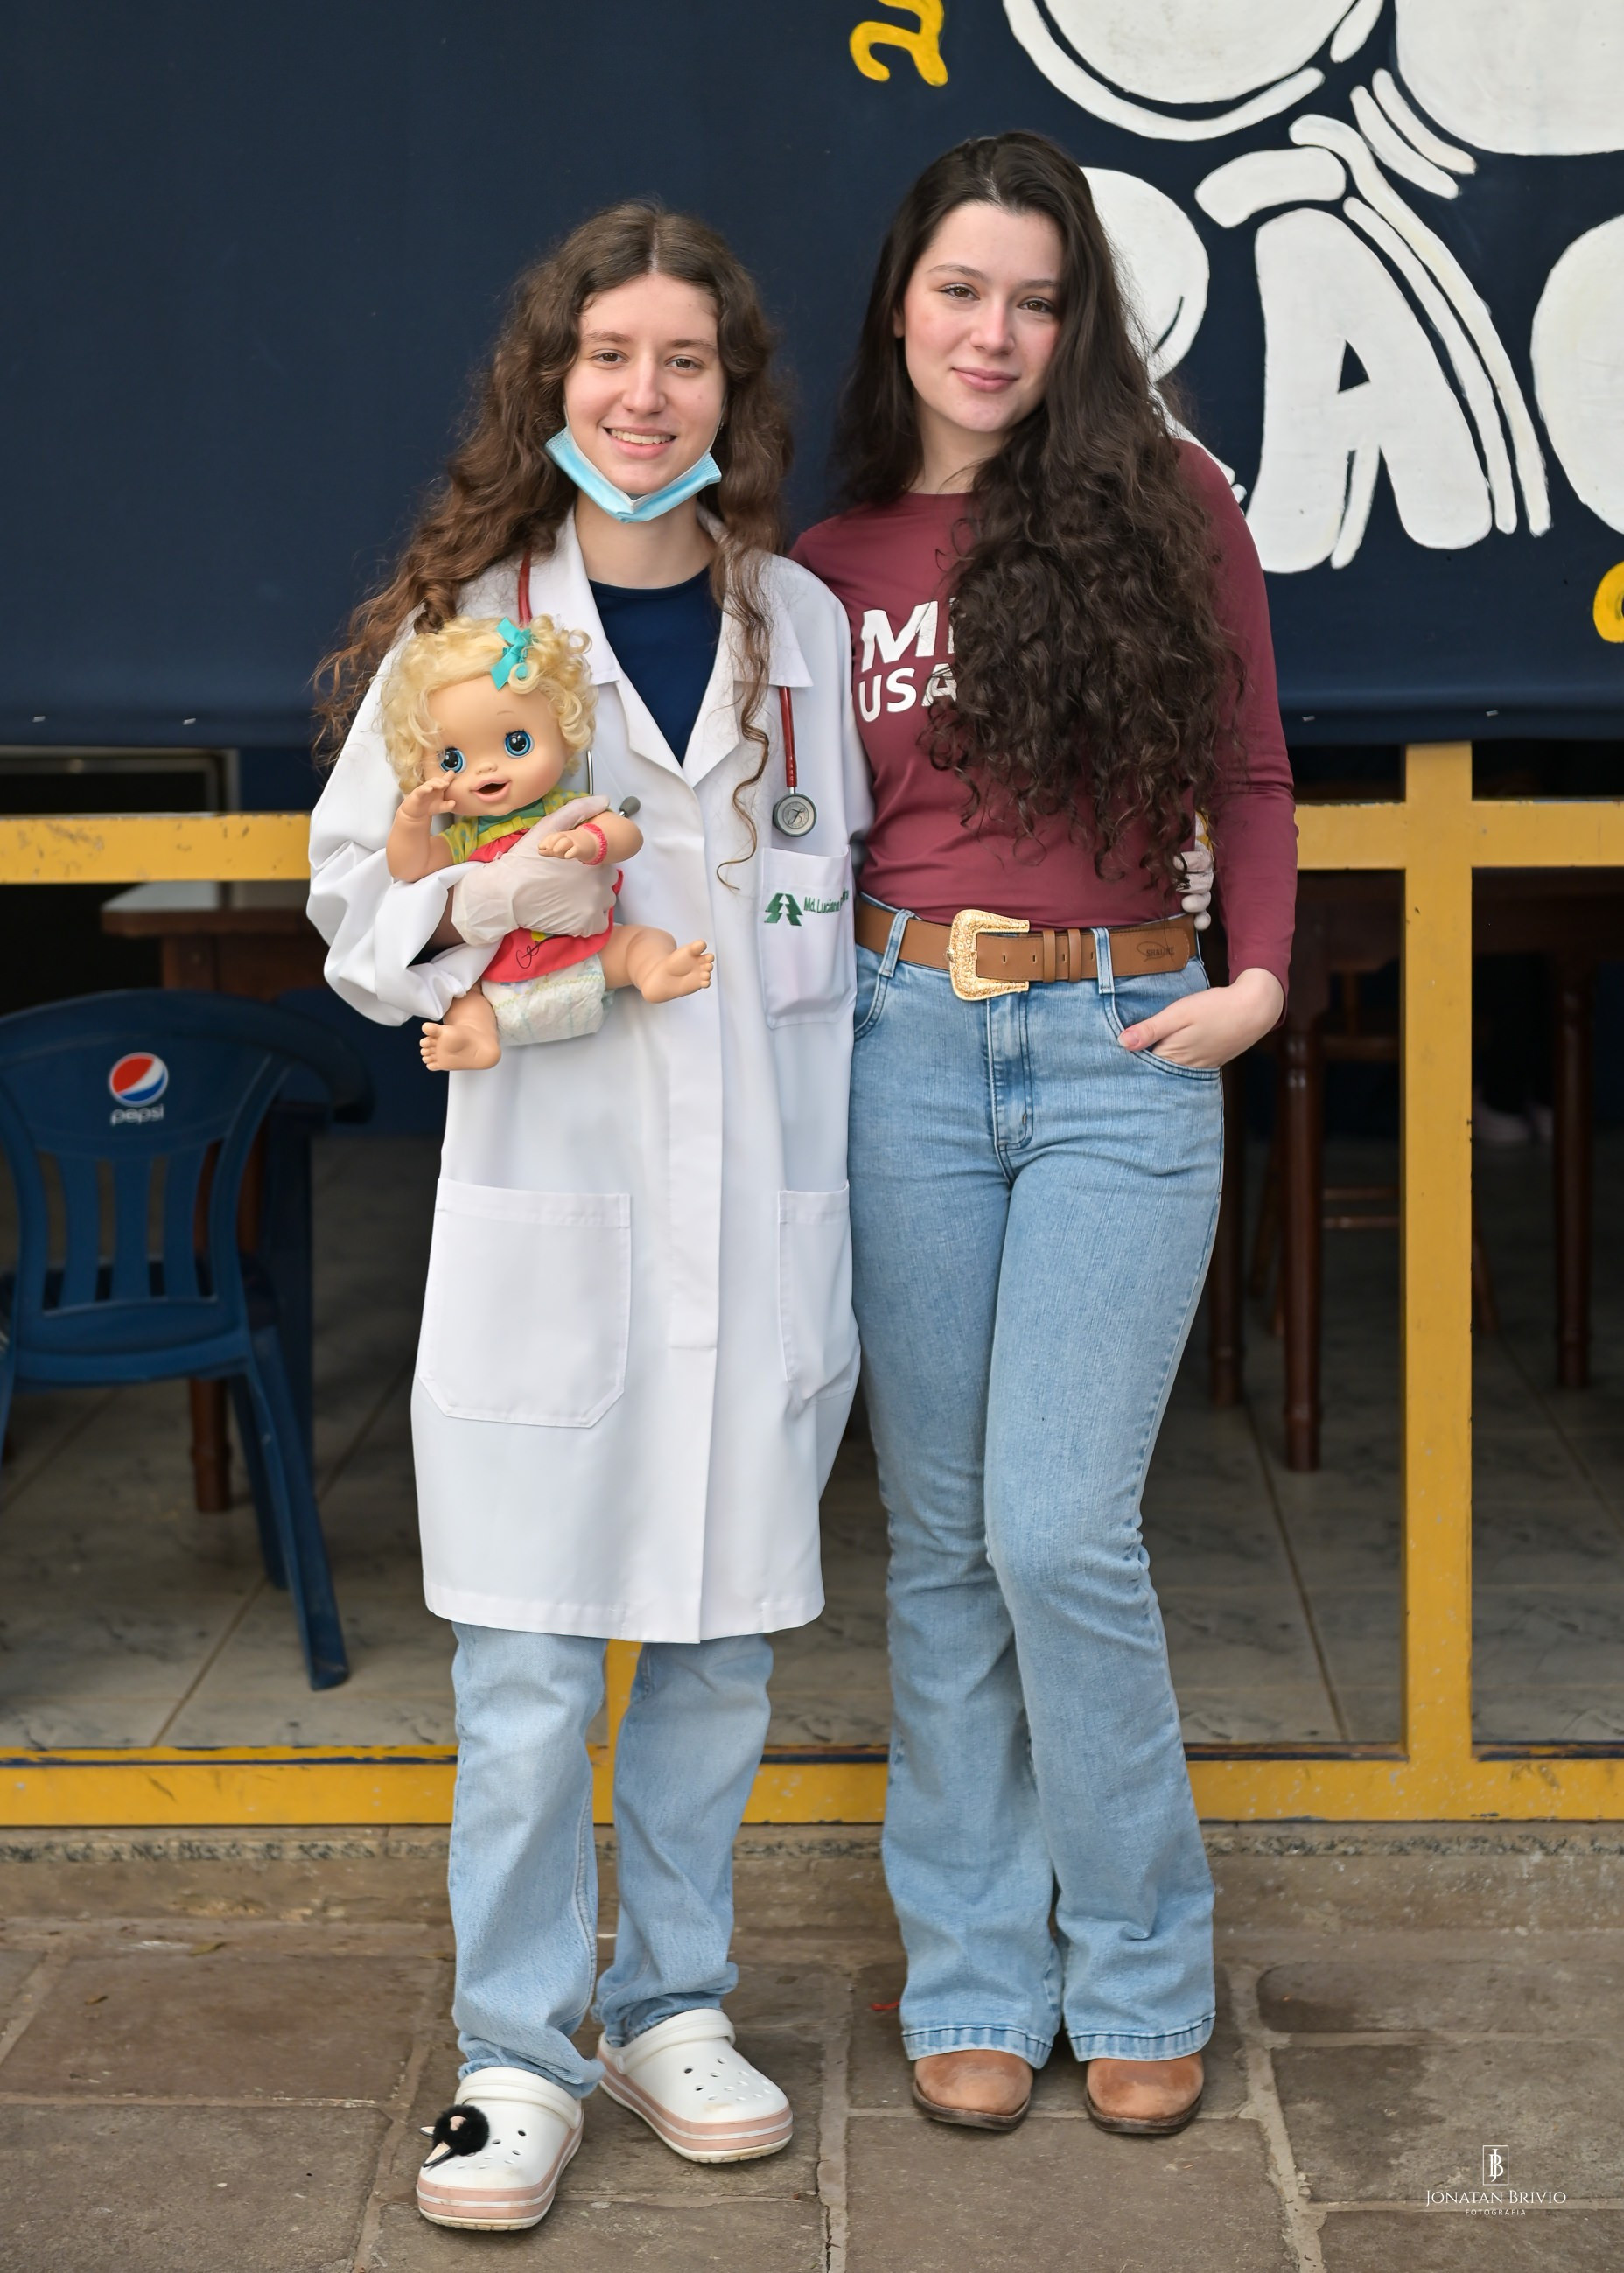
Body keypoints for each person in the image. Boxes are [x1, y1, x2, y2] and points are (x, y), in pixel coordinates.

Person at [308, 201, 870, 2233]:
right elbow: (355, 917)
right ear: (550, 382)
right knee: (534, 1679)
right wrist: (493, 893)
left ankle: (672, 2005)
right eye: (609, 356)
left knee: (716, 1661)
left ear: (734, 394)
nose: (645, 395)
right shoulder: (468, 632)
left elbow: (832, 919)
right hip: (551, 1222)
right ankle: (515, 2056)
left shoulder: (797, 631)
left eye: (683, 361)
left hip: (756, 1223)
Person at [794, 132, 1295, 2138]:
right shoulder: (832, 563)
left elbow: (1250, 770)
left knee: (1057, 1528)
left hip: (1122, 1047)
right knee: (937, 1543)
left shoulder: (1169, 502)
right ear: (901, 305)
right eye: (961, 290)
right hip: (903, 1045)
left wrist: (1259, 980)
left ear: (1077, 319)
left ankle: (1145, 1962)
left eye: (1035, 296)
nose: (994, 332)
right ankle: (978, 1970)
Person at [379, 610, 713, 1069]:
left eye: (516, 743)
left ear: (564, 732)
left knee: (643, 941)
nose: (486, 769)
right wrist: (412, 820)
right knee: (462, 996)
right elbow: (409, 867)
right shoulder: (463, 836)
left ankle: (654, 971)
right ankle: (476, 1039)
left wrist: (591, 841)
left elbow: (626, 833)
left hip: (589, 956)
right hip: (498, 978)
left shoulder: (565, 810)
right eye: (453, 759)